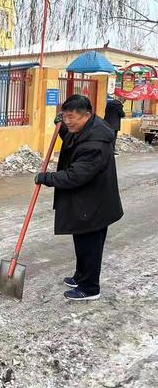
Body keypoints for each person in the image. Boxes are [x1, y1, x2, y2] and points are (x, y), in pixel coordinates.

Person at [35, 95, 123, 301]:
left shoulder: (96, 143)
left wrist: (47, 178)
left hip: (95, 203)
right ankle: (81, 276)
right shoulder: (87, 127)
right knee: (82, 241)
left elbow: (76, 175)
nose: (68, 121)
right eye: (65, 117)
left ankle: (90, 288)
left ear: (87, 115)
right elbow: (74, 139)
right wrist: (63, 128)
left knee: (90, 246)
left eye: (71, 117)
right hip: (88, 200)